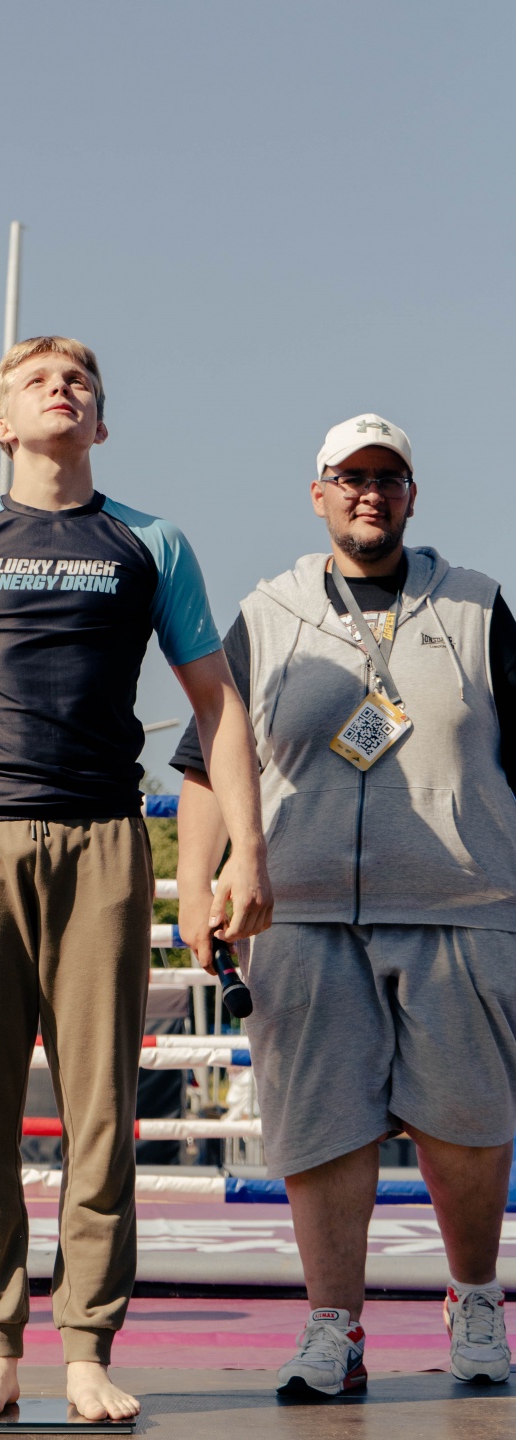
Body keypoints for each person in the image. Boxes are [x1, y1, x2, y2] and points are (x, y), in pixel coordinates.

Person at [0, 336, 272, 1423]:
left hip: (103, 843)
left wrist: (246, 853)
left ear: (102, 423)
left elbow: (218, 704)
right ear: (1, 422)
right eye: (36, 379)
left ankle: (86, 1347)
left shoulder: (150, 542)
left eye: (79, 381)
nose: (61, 389)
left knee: (101, 1110)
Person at [173, 413, 516, 1398]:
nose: (370, 492)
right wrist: (195, 886)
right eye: (351, 476)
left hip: (463, 903)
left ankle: (476, 1299)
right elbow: (209, 757)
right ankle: (334, 1328)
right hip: (301, 911)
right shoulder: (268, 612)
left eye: (387, 477)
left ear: (412, 495)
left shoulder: (478, 606)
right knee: (322, 1126)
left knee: (469, 1121)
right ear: (318, 492)